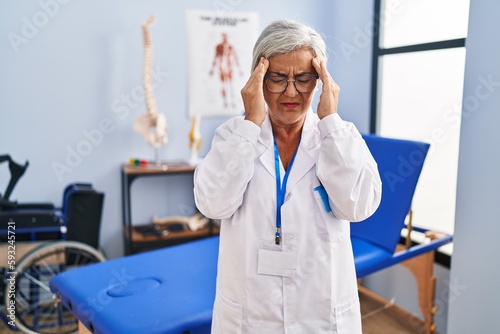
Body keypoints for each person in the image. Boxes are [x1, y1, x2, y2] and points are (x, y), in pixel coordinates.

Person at [194, 19, 382, 333]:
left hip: (321, 313)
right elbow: (212, 205)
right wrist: (251, 123)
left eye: (305, 78)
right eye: (277, 78)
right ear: (258, 78)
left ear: (321, 80)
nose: (291, 91)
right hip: (251, 315)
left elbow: (358, 207)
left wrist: (330, 121)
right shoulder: (233, 136)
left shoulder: (339, 135)